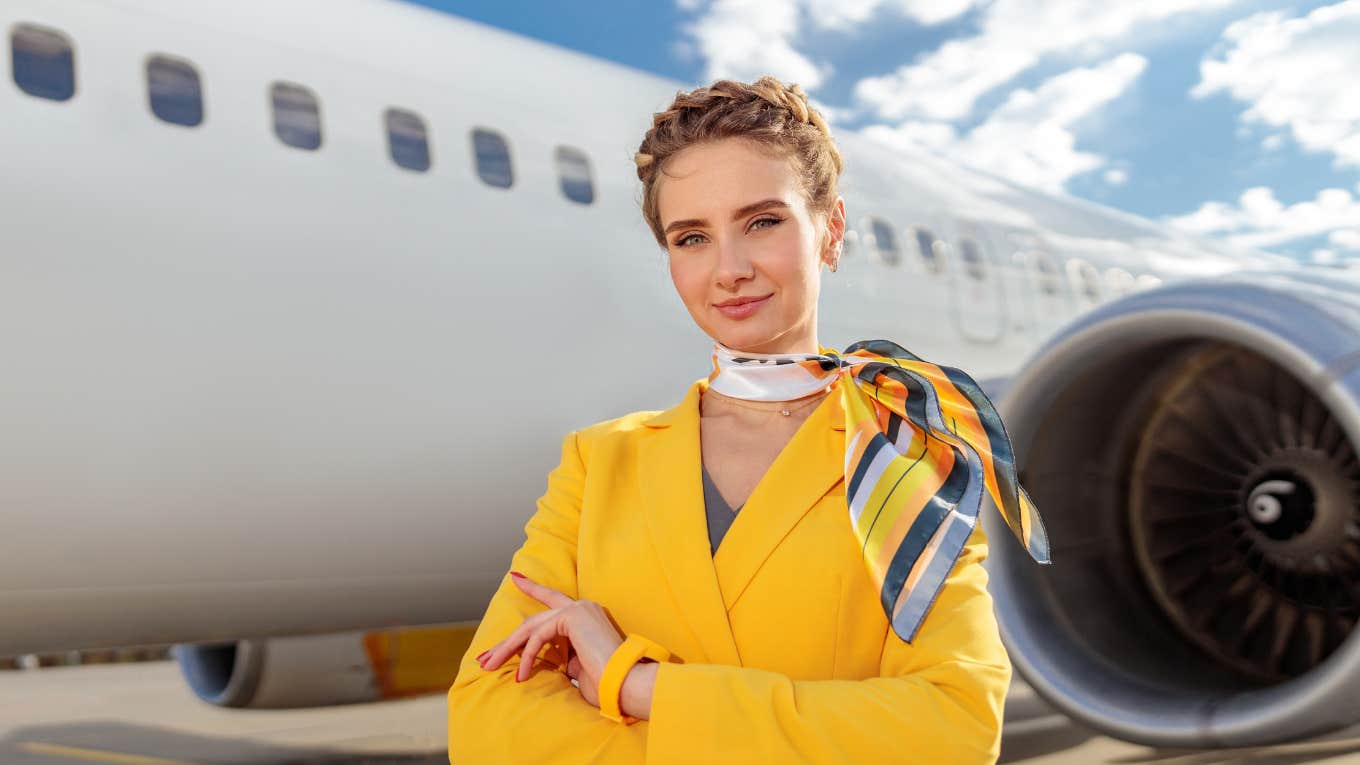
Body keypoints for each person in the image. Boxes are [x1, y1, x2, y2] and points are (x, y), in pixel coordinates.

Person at [447, 75, 1048, 764]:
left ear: (831, 230)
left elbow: (954, 728)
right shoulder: (597, 462)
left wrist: (641, 688)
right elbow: (487, 725)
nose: (728, 269)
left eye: (762, 221)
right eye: (691, 237)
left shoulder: (906, 456)